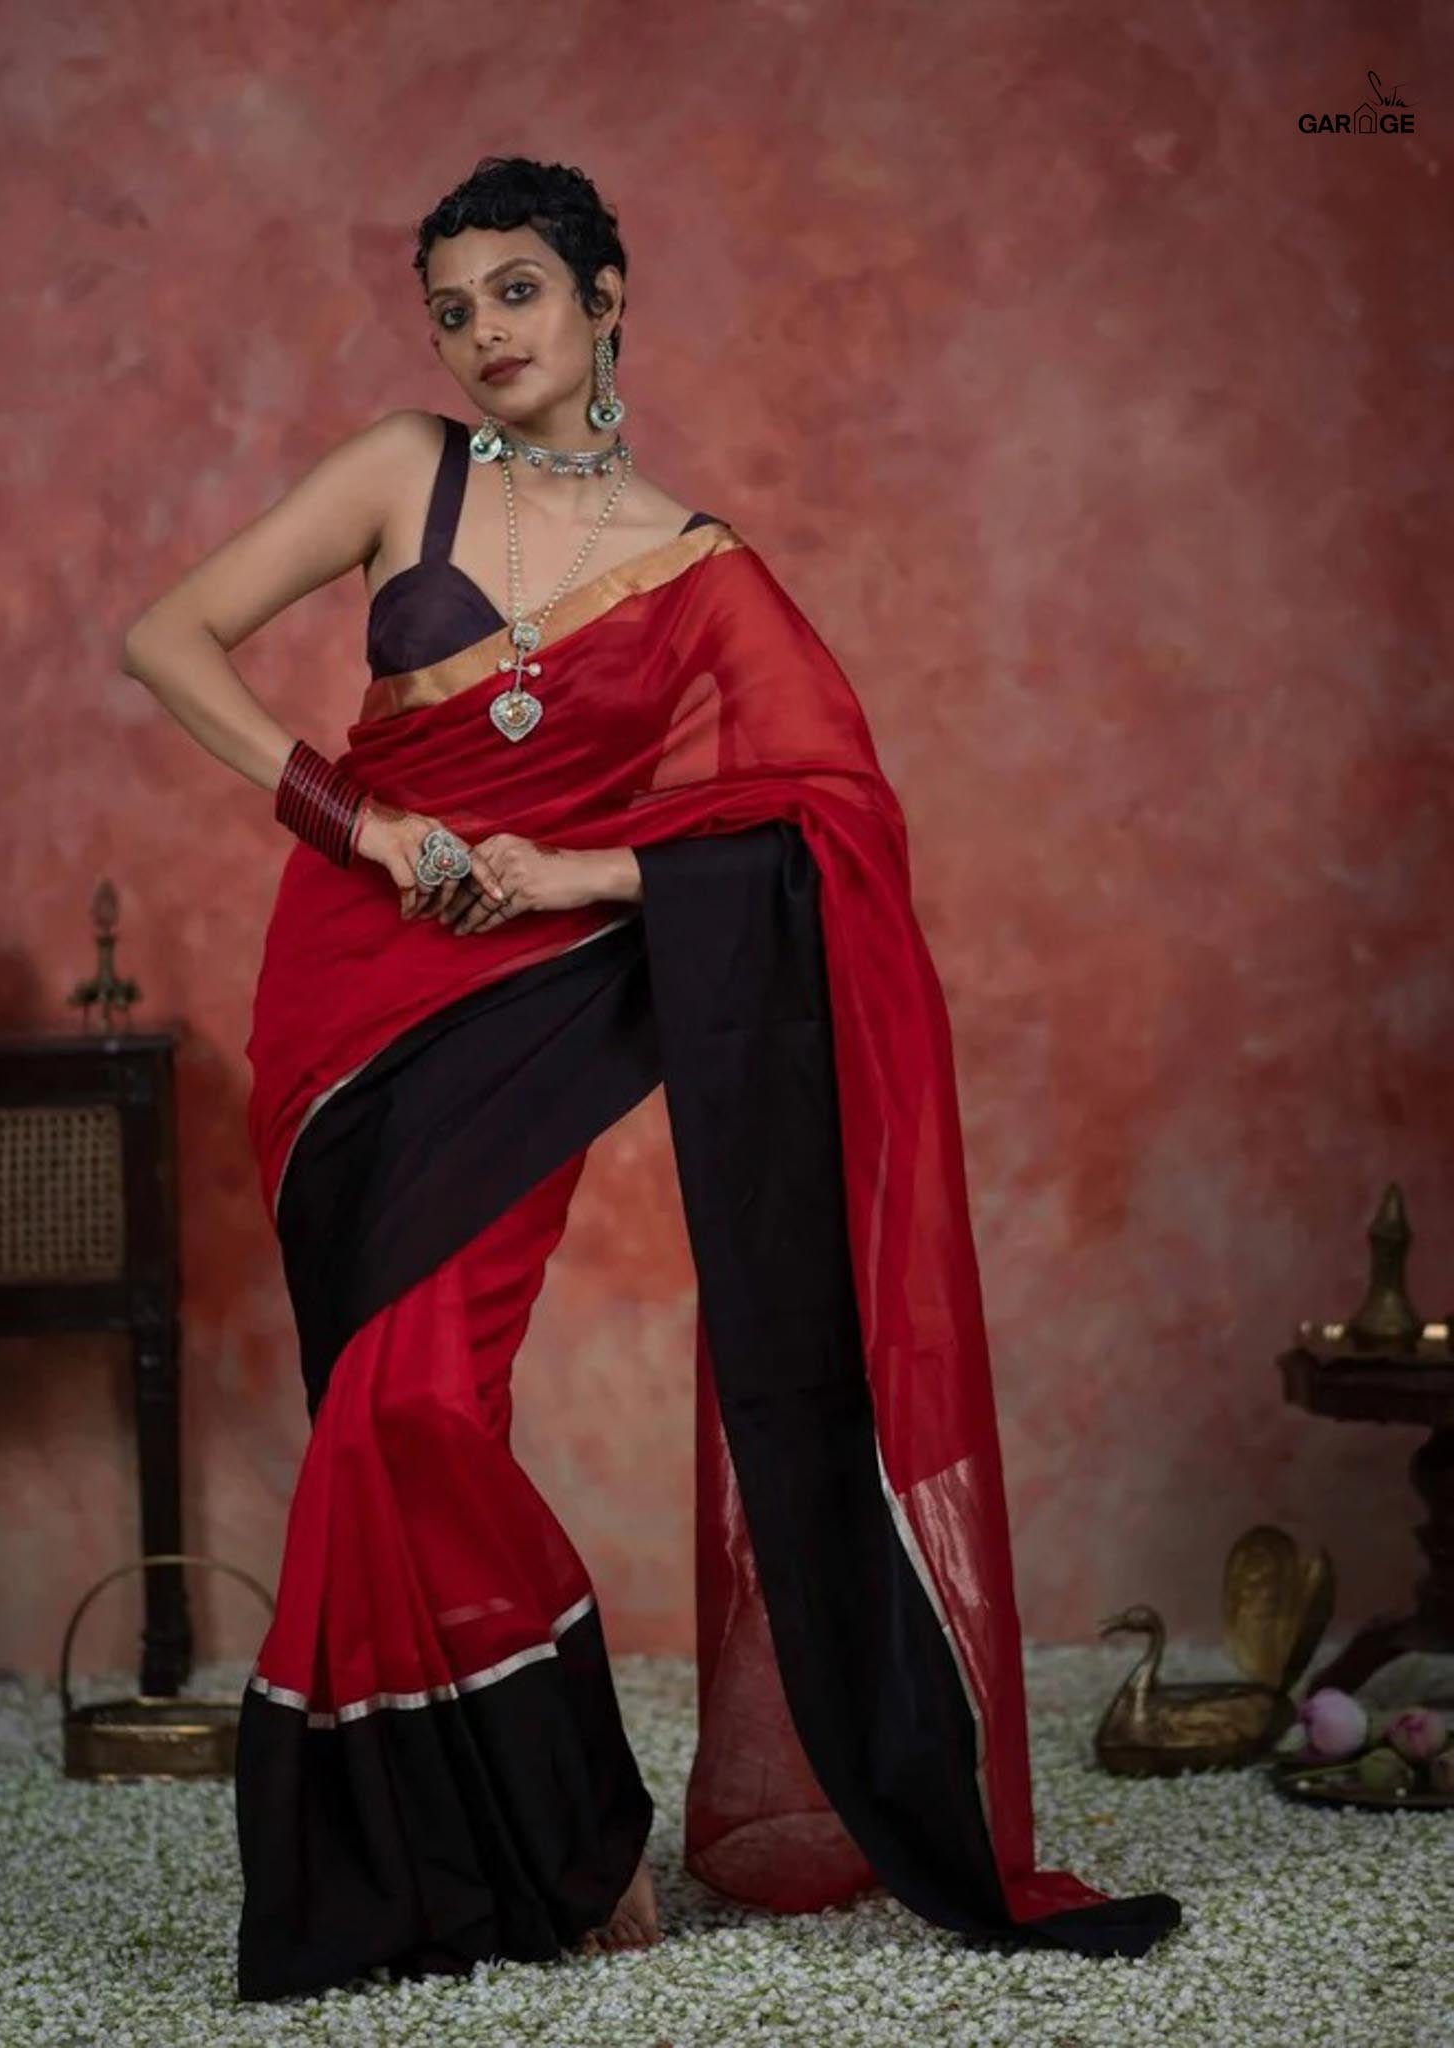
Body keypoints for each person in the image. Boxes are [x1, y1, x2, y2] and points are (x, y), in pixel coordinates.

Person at [120, 155, 1181, 2005]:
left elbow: (827, 825)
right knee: (373, 1397)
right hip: (347, 989)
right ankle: (497, 1841)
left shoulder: (700, 573)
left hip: (534, 1009)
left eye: (517, 290)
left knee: (415, 1400)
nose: (481, 332)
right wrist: (360, 821)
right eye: (451, 307)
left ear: (605, 298)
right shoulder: (401, 469)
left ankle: (553, 1826)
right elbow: (164, 638)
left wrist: (577, 877)